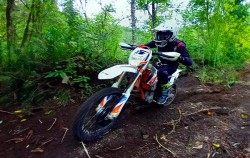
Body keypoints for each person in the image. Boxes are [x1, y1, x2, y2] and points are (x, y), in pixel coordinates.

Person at [137, 20, 192, 105]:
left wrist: (179, 57)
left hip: (171, 65)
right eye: (160, 34)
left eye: (165, 34)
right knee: (144, 70)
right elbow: (147, 46)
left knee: (162, 73)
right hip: (159, 63)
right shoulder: (158, 42)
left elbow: (189, 62)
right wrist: (136, 47)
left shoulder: (179, 45)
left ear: (172, 34)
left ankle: (164, 93)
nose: (162, 36)